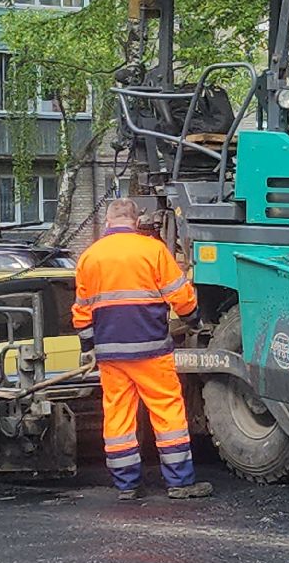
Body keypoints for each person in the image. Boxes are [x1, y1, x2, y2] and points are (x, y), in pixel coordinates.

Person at [73, 197, 211, 501]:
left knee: (118, 417)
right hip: (151, 350)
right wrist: (192, 318)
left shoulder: (89, 257)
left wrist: (88, 344)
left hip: (111, 353)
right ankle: (180, 483)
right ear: (136, 222)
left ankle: (127, 486)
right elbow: (180, 294)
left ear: (108, 221)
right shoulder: (152, 250)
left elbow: (82, 309)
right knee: (166, 411)